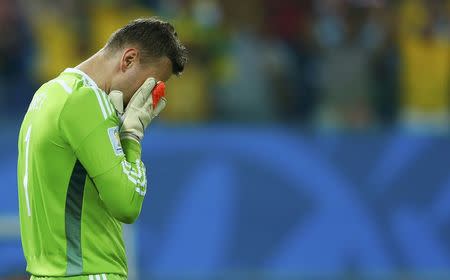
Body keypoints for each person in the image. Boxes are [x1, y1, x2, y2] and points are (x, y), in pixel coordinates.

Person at [17, 18, 187, 279]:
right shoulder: (87, 100)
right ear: (128, 59)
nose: (148, 96)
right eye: (150, 83)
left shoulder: (47, 93)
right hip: (91, 272)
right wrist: (132, 136)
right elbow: (127, 204)